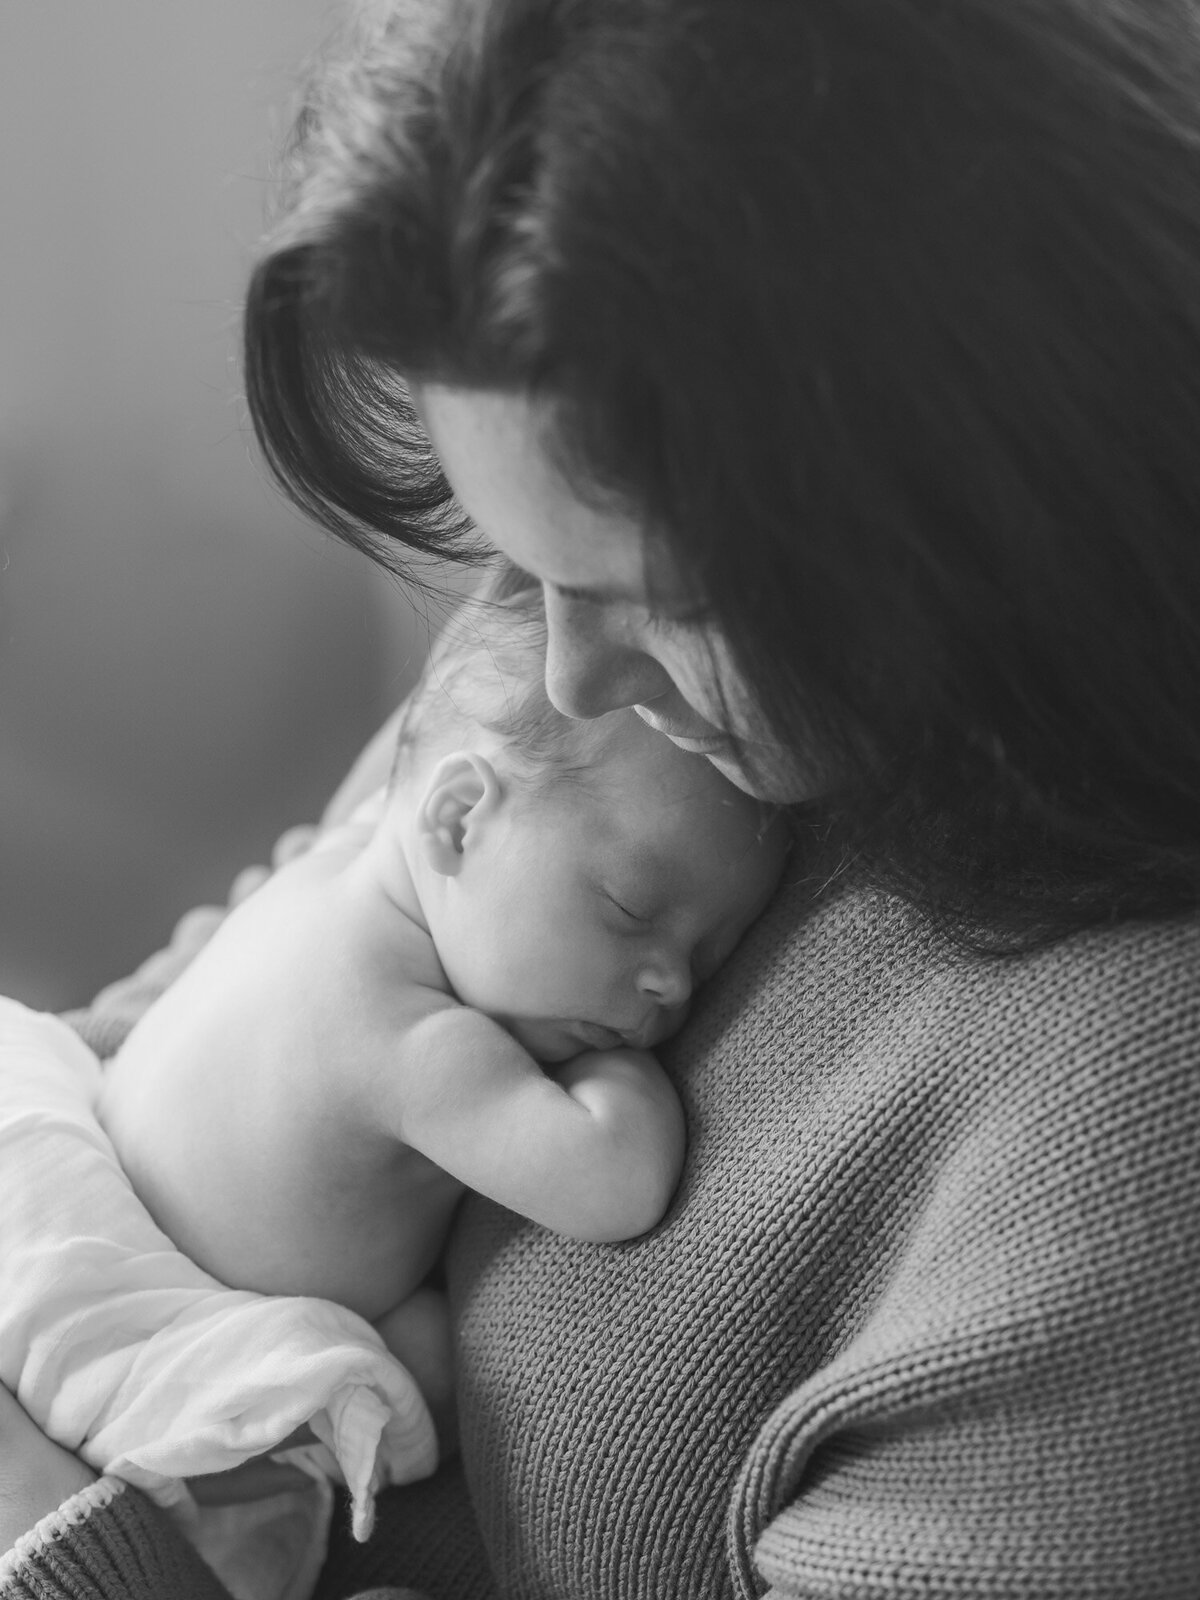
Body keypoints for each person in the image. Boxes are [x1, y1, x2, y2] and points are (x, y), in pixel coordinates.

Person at [5, 0, 1200, 1596]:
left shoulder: (1123, 1152)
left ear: (967, 504)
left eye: (653, 594)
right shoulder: (588, 724)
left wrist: (61, 1531)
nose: (564, 671)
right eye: (526, 566)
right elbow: (183, 1016)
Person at [0, 590, 785, 1600]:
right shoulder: (415, 1044)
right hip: (166, 1351)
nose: (672, 982)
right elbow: (615, 1181)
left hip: (70, 1195)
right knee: (417, 1377)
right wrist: (620, 1074)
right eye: (632, 911)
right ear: (458, 816)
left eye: (709, 951)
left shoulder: (333, 868)